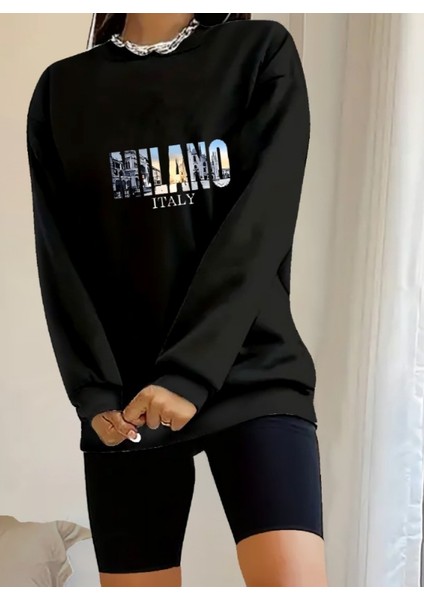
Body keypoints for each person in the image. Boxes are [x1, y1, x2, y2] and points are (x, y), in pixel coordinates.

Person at [26, 12, 328, 587]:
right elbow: (61, 257)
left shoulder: (258, 52)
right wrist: (93, 391)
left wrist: (189, 373)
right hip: (126, 401)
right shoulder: (62, 89)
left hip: (251, 369)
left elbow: (259, 223)